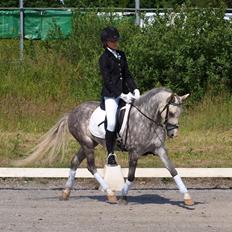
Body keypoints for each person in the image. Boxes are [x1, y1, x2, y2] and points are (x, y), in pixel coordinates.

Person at [99, 26, 140, 166]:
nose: (116, 43)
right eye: (112, 41)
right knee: (111, 122)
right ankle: (110, 153)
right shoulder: (103, 58)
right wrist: (121, 95)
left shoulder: (121, 54)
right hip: (111, 96)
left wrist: (135, 89)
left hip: (125, 93)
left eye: (116, 40)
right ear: (106, 42)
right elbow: (107, 81)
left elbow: (127, 74)